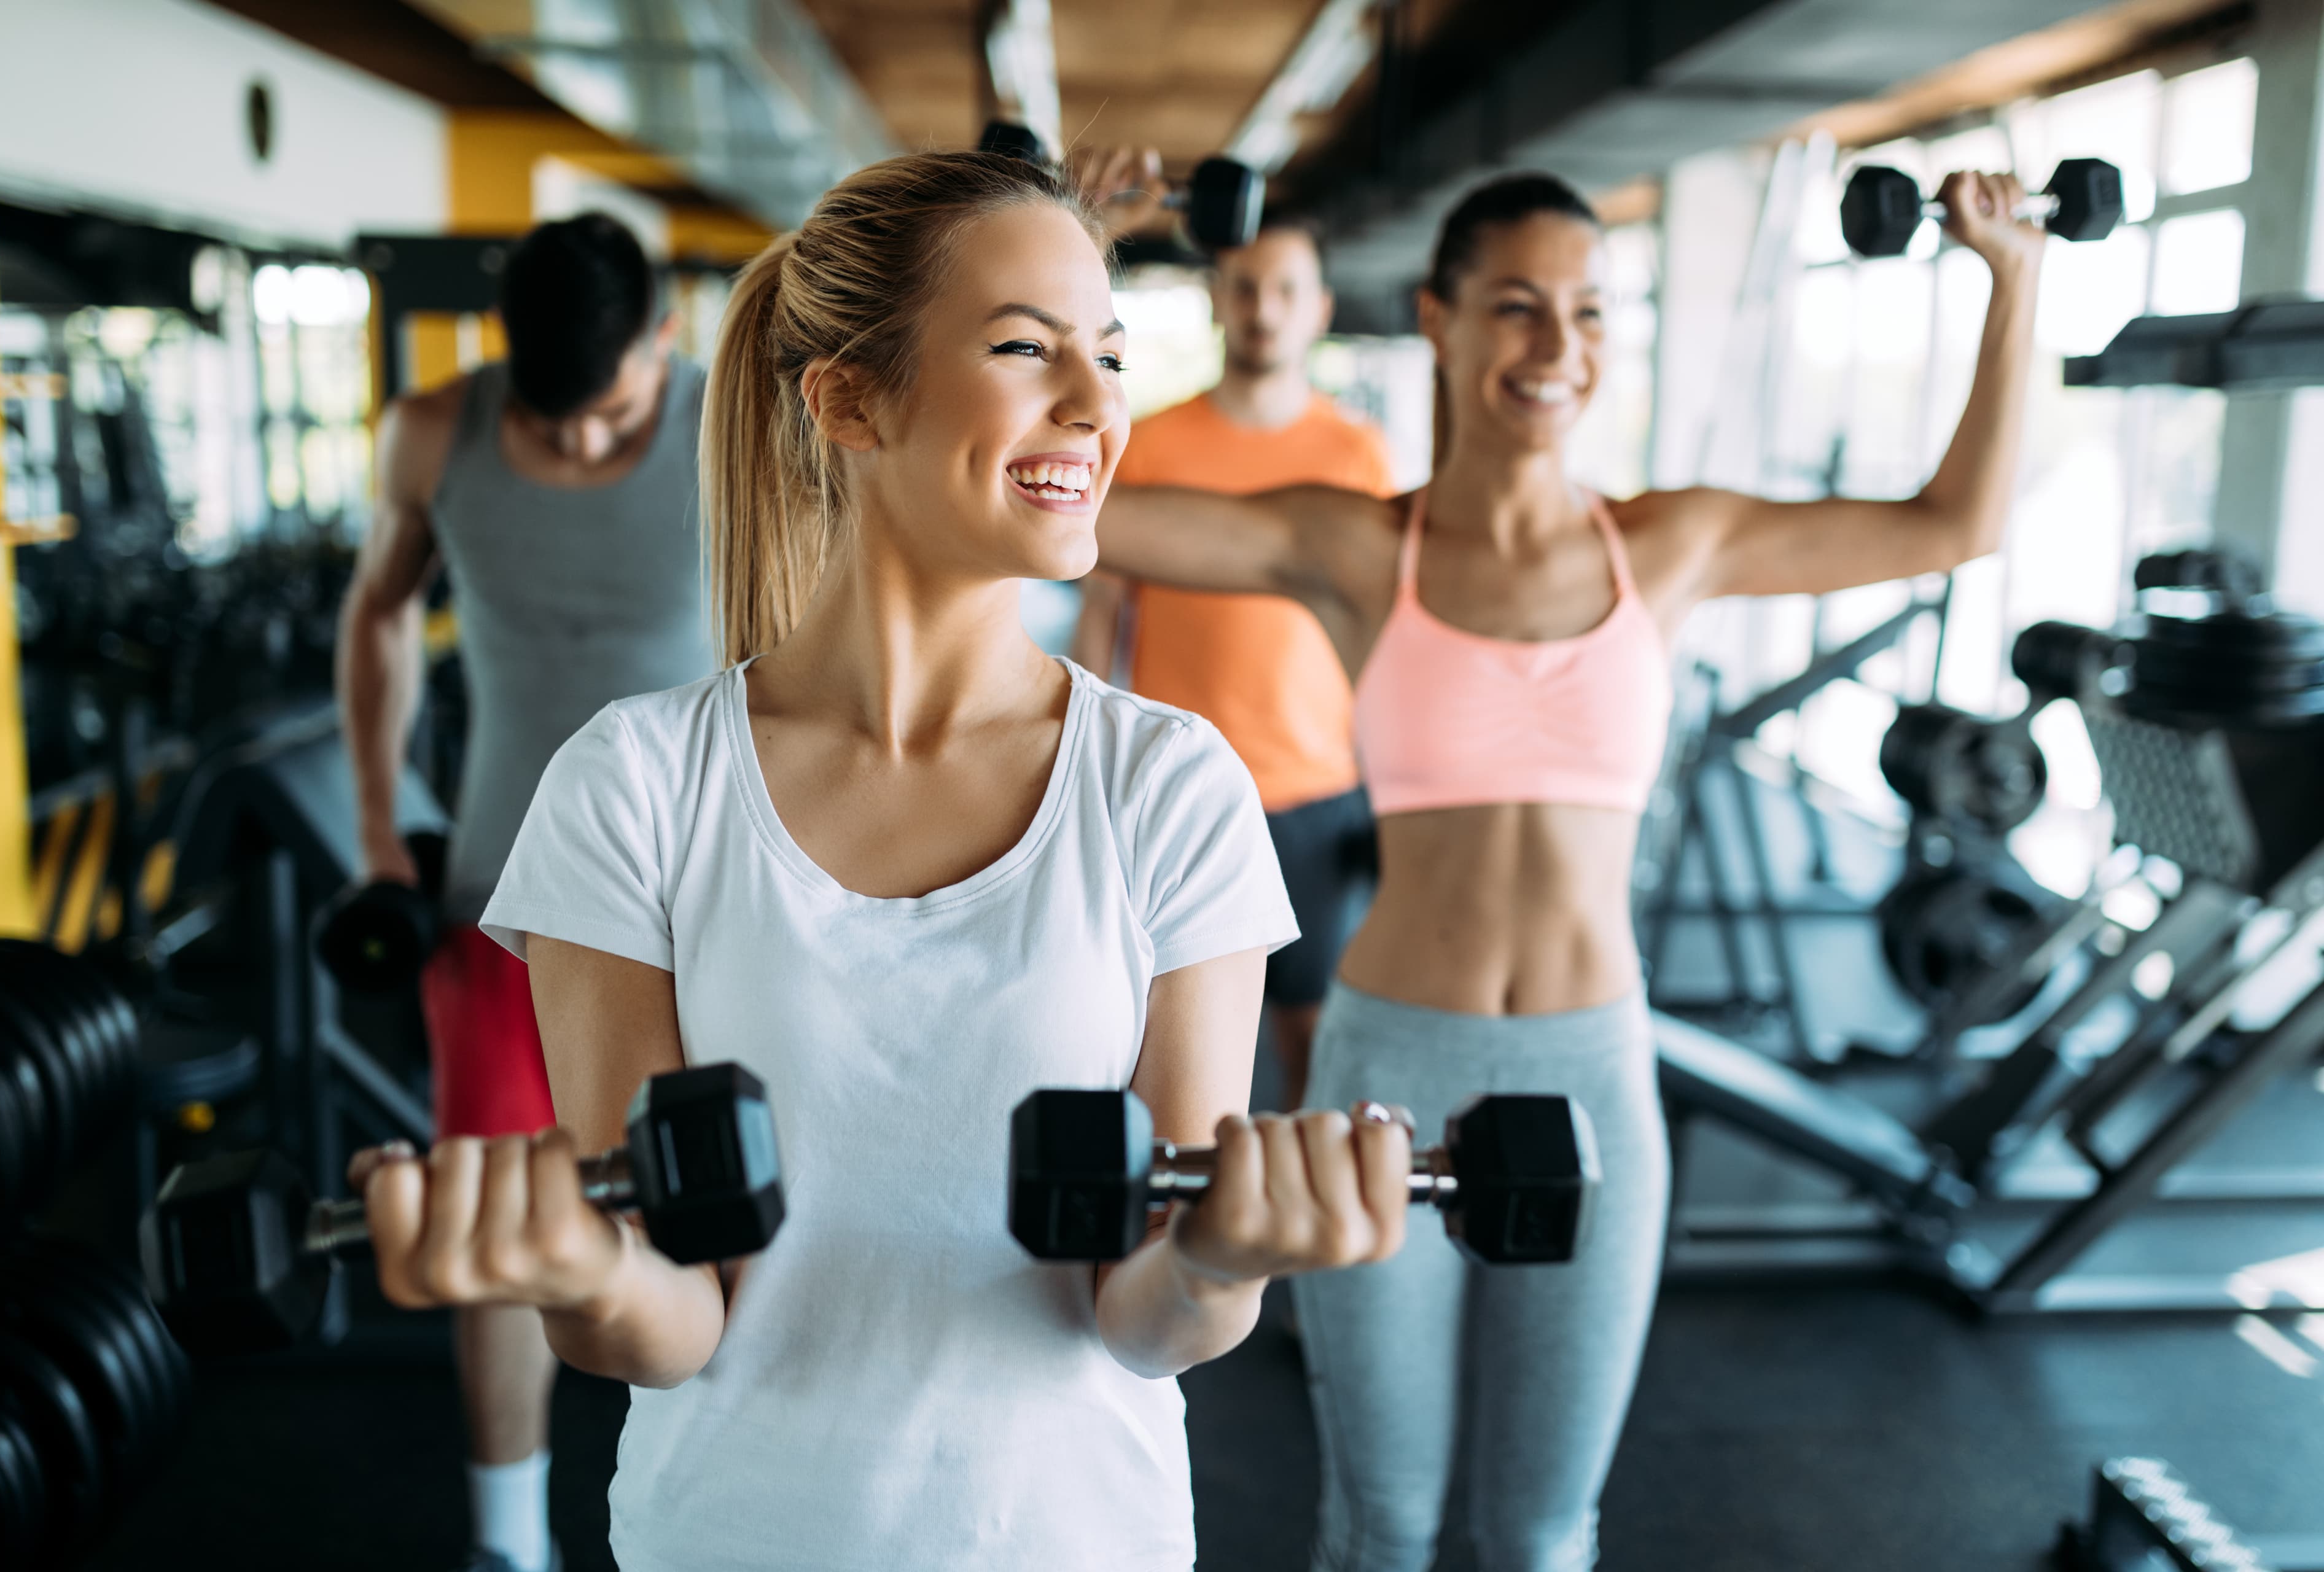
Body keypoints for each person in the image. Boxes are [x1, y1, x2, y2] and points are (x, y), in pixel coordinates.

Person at [341, 150, 1421, 1571]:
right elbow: (669, 1325)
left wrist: (1227, 1256)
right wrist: (579, 1264)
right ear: (850, 400)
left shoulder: (1170, 787)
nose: (1099, 406)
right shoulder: (633, 784)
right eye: (1028, 349)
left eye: (1108, 354)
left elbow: (1145, 1315)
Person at [1091, 168, 2045, 1570]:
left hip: (1594, 1064)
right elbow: (1069, 503)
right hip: (1388, 1064)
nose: (1557, 347)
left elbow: (1954, 522)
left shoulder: (1673, 542)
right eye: (1517, 307)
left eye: (1590, 312)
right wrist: (1073, 245)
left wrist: (2016, 276)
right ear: (1439, 318)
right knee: (1381, 1523)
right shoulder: (1356, 545)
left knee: (1543, 1533)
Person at [337, 212, 709, 1572]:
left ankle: (728, 1503)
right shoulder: (435, 432)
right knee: (500, 1213)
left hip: (707, 892)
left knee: (723, 1197)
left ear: (665, 338)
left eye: (615, 413)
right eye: (556, 422)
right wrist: (380, 825)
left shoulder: (737, 427)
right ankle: (509, 1538)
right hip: (505, 897)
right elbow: (378, 612)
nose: (587, 442)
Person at [1068, 211, 1392, 1110]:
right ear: (1218, 299)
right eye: (1245, 287)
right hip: (1173, 788)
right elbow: (1101, 617)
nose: (1264, 309)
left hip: (1315, 794)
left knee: (1307, 1035)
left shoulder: (1358, 455)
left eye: (1286, 290)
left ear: (1319, 309)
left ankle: (1294, 1198)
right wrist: (1080, 766)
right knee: (1158, 1040)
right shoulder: (1150, 444)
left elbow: (1383, 637)